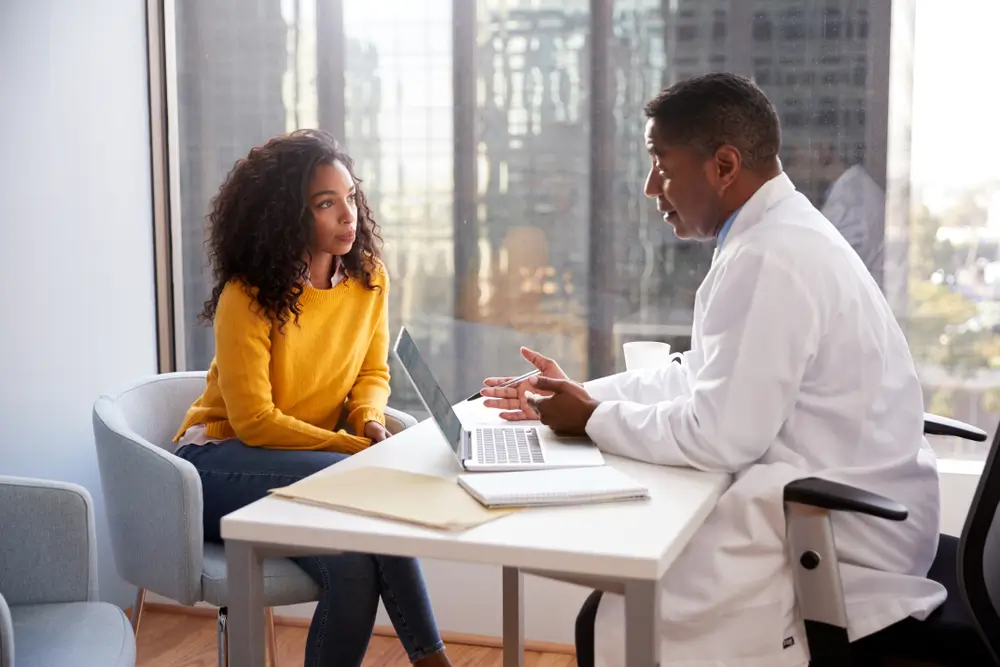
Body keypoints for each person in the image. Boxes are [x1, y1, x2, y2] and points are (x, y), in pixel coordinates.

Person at [481, 73, 943, 667]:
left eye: (662, 165)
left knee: (619, 616)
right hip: (850, 500)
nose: (651, 187)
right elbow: (700, 372)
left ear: (723, 165)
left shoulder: (771, 256)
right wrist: (578, 395)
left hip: (841, 534)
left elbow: (722, 435)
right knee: (620, 594)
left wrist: (592, 419)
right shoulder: (774, 234)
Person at [173, 129, 453, 667]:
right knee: (373, 488)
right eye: (326, 204)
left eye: (350, 197)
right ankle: (434, 661)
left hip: (310, 468)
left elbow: (372, 371)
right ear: (286, 216)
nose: (348, 215)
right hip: (215, 467)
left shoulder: (368, 280)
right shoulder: (247, 296)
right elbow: (254, 422)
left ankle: (429, 659)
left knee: (352, 568)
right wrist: (352, 452)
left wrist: (367, 419)